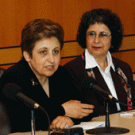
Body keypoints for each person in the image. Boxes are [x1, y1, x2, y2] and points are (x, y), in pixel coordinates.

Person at [0, 19, 94, 133]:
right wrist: (62, 110)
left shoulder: (60, 73)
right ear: (27, 55)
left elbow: (87, 110)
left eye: (55, 51)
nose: (52, 59)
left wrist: (70, 119)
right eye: (43, 52)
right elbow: (19, 122)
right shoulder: (12, 79)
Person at [64, 8, 135, 121]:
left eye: (103, 34)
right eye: (92, 34)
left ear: (113, 38)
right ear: (84, 36)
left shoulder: (124, 68)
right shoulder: (72, 70)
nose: (96, 40)